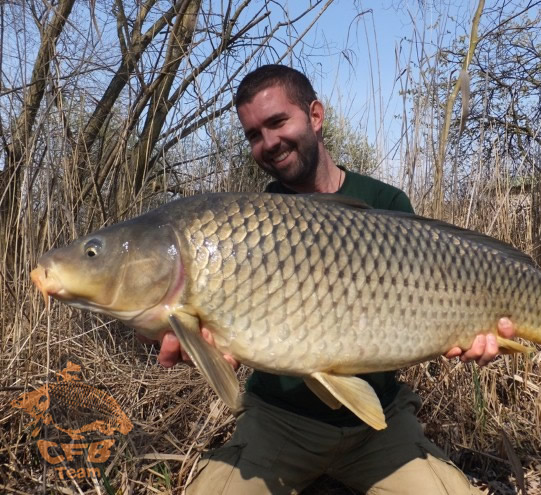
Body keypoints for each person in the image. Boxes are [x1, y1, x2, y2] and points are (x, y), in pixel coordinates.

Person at [148, 65, 515, 494]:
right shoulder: (250, 222)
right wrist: (180, 334)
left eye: (277, 122)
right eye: (253, 135)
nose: (268, 143)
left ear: (316, 116)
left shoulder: (385, 202)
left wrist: (472, 331)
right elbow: (191, 323)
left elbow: (429, 303)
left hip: (378, 423)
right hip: (279, 421)